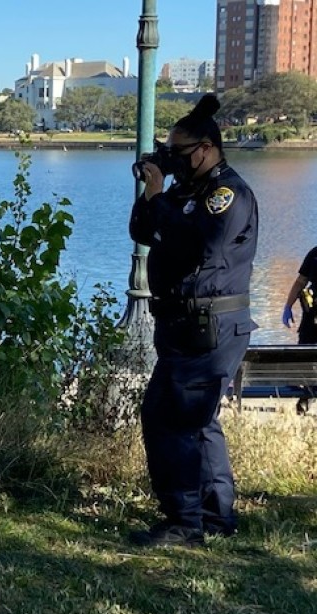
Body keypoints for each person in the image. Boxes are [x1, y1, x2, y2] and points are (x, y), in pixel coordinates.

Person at [128, 94, 259, 547]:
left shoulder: (228, 194)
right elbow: (145, 232)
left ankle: (185, 522)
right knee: (196, 421)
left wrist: (163, 200)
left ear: (205, 149)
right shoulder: (186, 192)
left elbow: (198, 244)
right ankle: (215, 515)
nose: (174, 162)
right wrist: (153, 193)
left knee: (173, 419)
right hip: (185, 327)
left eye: (179, 154)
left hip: (210, 328)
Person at [281, 247, 317, 413]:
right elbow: (301, 281)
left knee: (305, 357)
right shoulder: (314, 254)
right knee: (306, 356)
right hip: (311, 321)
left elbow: (300, 281)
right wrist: (288, 306)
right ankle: (306, 397)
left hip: (311, 321)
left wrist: (288, 306)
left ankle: (306, 397)